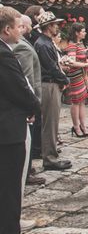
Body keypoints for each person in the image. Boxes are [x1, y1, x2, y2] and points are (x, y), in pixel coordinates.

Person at [0, 6, 43, 234]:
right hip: (8, 130)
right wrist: (34, 106)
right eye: (18, 26)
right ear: (7, 29)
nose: (22, 30)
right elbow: (18, 88)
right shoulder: (4, 55)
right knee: (9, 188)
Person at [34, 12, 71, 171]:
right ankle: (50, 158)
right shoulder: (44, 44)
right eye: (55, 24)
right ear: (49, 26)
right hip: (49, 85)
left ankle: (50, 155)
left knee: (51, 122)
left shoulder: (45, 42)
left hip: (50, 83)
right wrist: (65, 80)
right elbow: (52, 68)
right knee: (50, 123)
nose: (57, 27)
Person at [12, 16, 45, 187]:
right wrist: (31, 103)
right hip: (29, 98)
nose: (28, 28)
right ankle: (26, 171)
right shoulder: (20, 47)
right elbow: (26, 78)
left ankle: (28, 167)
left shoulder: (22, 43)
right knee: (28, 137)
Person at [65, 23, 88, 138]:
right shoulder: (72, 45)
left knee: (82, 101)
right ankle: (76, 127)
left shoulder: (81, 44)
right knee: (76, 101)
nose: (85, 33)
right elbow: (71, 62)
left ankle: (83, 126)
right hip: (75, 75)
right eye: (83, 31)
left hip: (82, 74)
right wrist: (86, 64)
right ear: (77, 33)